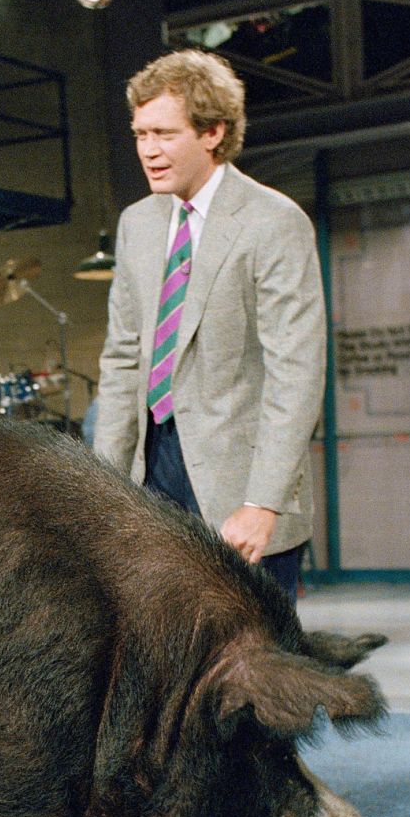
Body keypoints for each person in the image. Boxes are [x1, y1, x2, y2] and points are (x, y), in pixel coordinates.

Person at [92, 49, 325, 602]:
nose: (149, 150)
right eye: (140, 134)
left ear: (213, 132)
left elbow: (296, 372)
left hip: (239, 490)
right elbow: (123, 358)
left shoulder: (273, 222)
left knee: (254, 673)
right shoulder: (137, 224)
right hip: (150, 479)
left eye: (165, 134)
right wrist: (99, 489)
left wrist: (262, 503)